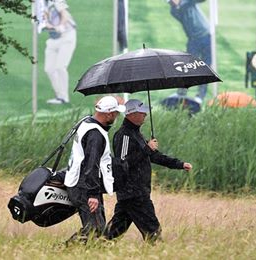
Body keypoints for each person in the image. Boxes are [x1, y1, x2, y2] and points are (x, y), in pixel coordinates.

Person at [104, 99, 192, 243]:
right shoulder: (124, 135)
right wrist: (147, 149)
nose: (145, 114)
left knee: (111, 233)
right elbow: (123, 163)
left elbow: (154, 156)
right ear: (131, 114)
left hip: (134, 194)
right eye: (142, 111)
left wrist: (180, 164)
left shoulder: (136, 134)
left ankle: (87, 246)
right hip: (133, 194)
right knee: (153, 232)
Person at [64, 96, 126, 245]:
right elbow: (91, 165)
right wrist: (92, 194)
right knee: (94, 229)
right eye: (116, 114)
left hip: (79, 182)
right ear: (109, 114)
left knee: (99, 229)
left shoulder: (86, 123)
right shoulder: (96, 135)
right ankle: (60, 251)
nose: (117, 117)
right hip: (83, 187)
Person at [168, 0, 212, 104]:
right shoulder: (174, 11)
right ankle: (181, 93)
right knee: (188, 67)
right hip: (193, 39)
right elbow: (181, 10)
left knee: (206, 67)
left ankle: (200, 96)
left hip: (207, 36)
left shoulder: (188, 2)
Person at [43, 0, 77, 105]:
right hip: (53, 39)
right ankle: (59, 96)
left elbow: (64, 14)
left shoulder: (56, 1)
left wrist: (61, 26)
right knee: (49, 69)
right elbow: (43, 20)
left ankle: (63, 97)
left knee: (60, 67)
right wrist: (48, 26)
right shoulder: (39, 4)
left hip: (67, 36)